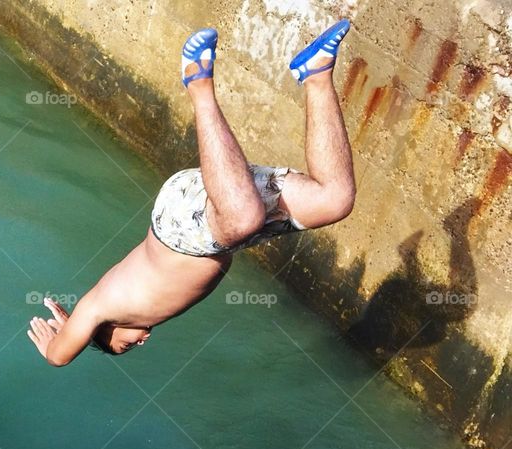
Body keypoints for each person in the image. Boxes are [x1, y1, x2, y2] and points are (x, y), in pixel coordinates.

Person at [27, 20, 356, 366]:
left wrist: (61, 339)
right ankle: (315, 74)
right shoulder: (133, 316)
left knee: (244, 217)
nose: (141, 343)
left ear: (100, 330)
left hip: (181, 225)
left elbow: (59, 357)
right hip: (224, 223)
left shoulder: (101, 306)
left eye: (123, 346)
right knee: (335, 199)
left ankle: (198, 84)